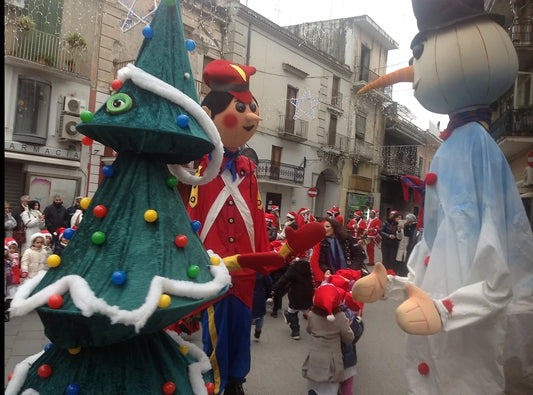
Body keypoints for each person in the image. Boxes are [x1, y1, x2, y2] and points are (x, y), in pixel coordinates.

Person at [186, 59, 270, 395]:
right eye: (242, 108)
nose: (252, 116)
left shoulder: (248, 166)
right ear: (209, 113)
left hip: (246, 268)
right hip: (213, 266)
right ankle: (215, 384)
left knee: (239, 327)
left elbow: (257, 214)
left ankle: (236, 380)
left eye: (252, 107)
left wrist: (264, 259)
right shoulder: (194, 161)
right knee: (214, 329)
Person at [302, 283, 354, 395]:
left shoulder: (312, 314)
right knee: (329, 389)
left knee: (313, 388)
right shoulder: (340, 317)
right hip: (332, 361)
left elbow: (309, 330)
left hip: (315, 358)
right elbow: (349, 338)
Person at [272, 255, 315, 340]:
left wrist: (274, 288)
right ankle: (317, 331)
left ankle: (295, 332)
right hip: (308, 295)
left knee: (292, 312)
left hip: (295, 295)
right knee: (309, 312)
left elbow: (283, 279)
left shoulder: (293, 268)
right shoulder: (309, 268)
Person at [251, 272, 272, 341]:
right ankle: (258, 330)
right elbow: (269, 283)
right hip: (260, 295)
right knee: (260, 315)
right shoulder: (263, 270)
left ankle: (246, 334)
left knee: (247, 315)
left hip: (247, 295)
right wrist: (268, 294)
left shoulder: (245, 269)